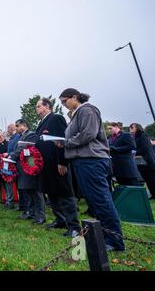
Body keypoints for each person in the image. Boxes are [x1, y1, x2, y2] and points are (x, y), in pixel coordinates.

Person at [58, 88, 125, 252]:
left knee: (101, 200)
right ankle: (105, 234)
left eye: (64, 101)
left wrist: (65, 142)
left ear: (74, 97)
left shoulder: (87, 110)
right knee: (94, 201)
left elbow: (88, 133)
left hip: (92, 160)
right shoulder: (75, 114)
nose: (64, 105)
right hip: (83, 160)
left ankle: (115, 241)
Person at [35, 98, 80, 237]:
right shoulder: (42, 122)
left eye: (38, 106)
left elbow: (61, 140)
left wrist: (62, 162)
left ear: (47, 106)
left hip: (57, 163)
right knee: (52, 193)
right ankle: (60, 220)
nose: (36, 109)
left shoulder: (56, 118)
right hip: (46, 164)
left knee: (64, 193)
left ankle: (74, 226)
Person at [10, 119, 45, 224]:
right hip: (23, 166)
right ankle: (31, 213)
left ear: (24, 125)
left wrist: (12, 157)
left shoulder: (30, 135)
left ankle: (40, 216)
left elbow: (22, 149)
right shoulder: (21, 136)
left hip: (30, 165)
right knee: (28, 191)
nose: (15, 128)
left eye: (17, 125)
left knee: (35, 191)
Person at [130, 123, 155, 198]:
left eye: (132, 127)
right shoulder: (134, 137)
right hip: (141, 162)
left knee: (152, 178)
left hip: (147, 161)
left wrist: (134, 153)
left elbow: (145, 148)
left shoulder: (143, 135)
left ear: (137, 128)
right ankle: (153, 194)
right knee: (147, 180)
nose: (130, 129)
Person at [0, 131, 9, 206]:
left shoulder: (7, 143)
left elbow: (8, 153)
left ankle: (9, 200)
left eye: (0, 137)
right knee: (3, 183)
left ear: (3, 136)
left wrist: (1, 155)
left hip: (6, 166)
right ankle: (6, 199)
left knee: (7, 183)